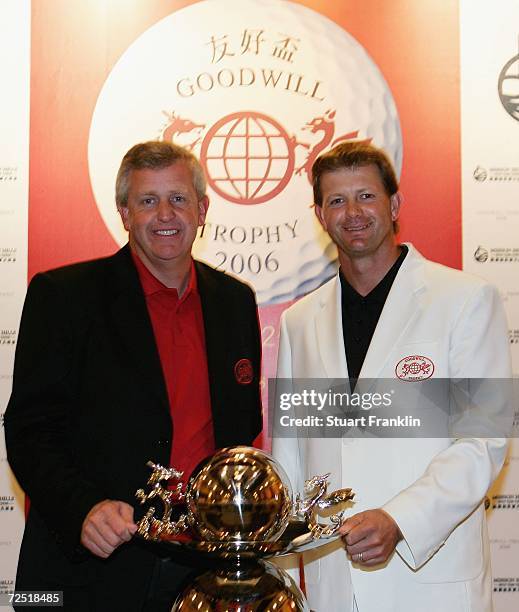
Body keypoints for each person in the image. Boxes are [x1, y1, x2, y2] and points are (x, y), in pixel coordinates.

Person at [5, 141, 262, 611]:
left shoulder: (235, 302)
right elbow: (29, 431)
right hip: (84, 572)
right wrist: (83, 508)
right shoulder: (63, 297)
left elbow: (240, 431)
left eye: (179, 199)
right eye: (148, 200)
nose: (165, 213)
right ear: (124, 213)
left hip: (201, 572)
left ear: (202, 209)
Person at [272, 142, 511, 611]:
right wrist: (284, 581)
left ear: (394, 204)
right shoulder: (298, 322)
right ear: (320, 214)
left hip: (431, 581)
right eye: (337, 201)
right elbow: (291, 462)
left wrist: (399, 520)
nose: (353, 212)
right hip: (332, 587)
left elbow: (483, 442)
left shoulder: (465, 299)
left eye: (366, 196)